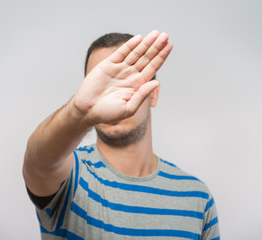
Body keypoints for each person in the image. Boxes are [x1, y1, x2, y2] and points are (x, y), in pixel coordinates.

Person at [23, 30, 220, 240]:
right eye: (101, 87)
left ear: (153, 94)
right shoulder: (72, 175)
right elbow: (37, 162)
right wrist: (80, 111)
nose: (113, 98)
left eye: (127, 85)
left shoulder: (196, 196)